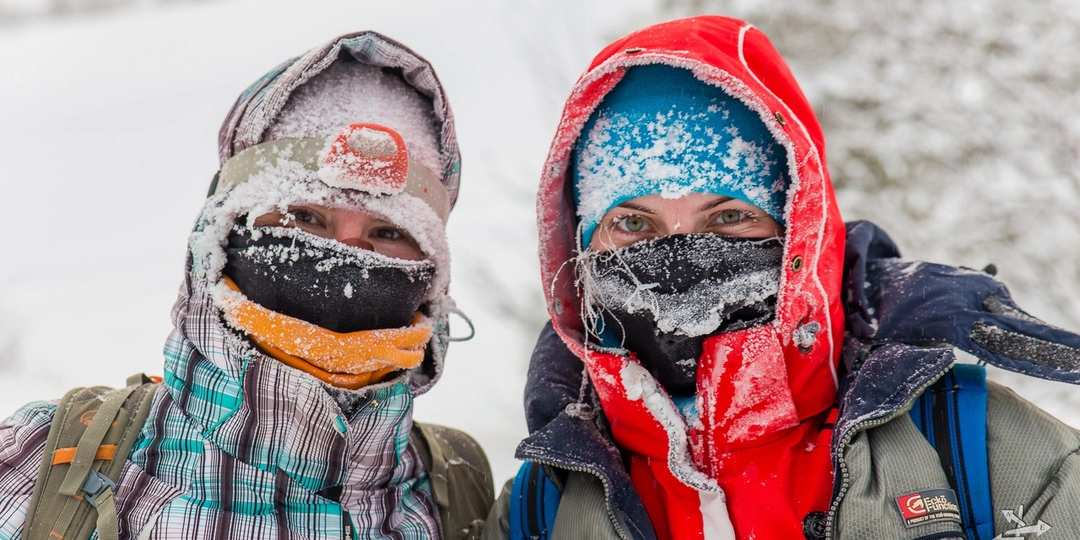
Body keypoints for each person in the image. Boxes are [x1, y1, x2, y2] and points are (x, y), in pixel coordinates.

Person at [482, 15, 1080, 540]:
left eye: (731, 216)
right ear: (581, 246)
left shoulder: (989, 455)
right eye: (634, 223)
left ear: (799, 232)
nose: (680, 253)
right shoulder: (541, 510)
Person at [0, 31, 492, 539]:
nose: (347, 256)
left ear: (430, 277)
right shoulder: (38, 463)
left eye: (388, 233)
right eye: (305, 217)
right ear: (223, 234)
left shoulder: (457, 492)